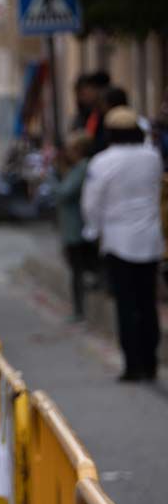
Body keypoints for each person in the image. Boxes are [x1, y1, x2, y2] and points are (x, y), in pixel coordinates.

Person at [83, 107, 164, 382]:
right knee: (147, 303)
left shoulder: (102, 162)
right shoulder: (152, 157)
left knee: (126, 306)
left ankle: (132, 365)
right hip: (150, 240)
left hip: (118, 241)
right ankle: (151, 363)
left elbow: (91, 202)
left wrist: (92, 230)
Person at [54, 131, 97, 322]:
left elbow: (64, 192)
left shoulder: (82, 168)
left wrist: (52, 180)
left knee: (79, 270)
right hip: (73, 226)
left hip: (77, 227)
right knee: (77, 269)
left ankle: (80, 311)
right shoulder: (77, 168)